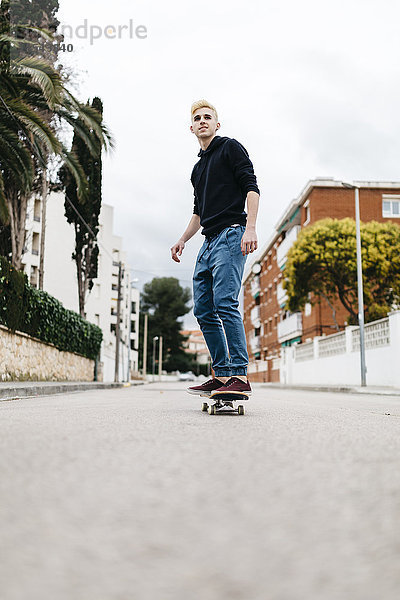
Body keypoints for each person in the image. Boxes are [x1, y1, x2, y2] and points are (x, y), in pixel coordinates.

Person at [170, 99, 260, 398]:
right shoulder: (197, 169)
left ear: (216, 124)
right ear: (192, 127)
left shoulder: (229, 147)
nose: (203, 121)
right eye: (197, 118)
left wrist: (250, 227)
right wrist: (183, 238)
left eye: (208, 117)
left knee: (225, 303)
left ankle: (239, 374)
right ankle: (222, 376)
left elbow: (251, 187)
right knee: (204, 310)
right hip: (208, 243)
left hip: (232, 235)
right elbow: (199, 211)